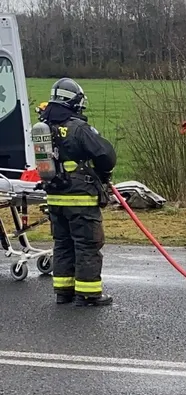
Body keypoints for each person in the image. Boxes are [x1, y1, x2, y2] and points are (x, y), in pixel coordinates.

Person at [40, 78, 117, 306]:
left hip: (54, 197)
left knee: (63, 243)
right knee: (87, 244)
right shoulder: (78, 128)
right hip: (80, 196)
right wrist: (103, 175)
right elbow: (106, 156)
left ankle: (63, 292)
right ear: (72, 101)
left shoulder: (45, 127)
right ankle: (88, 293)